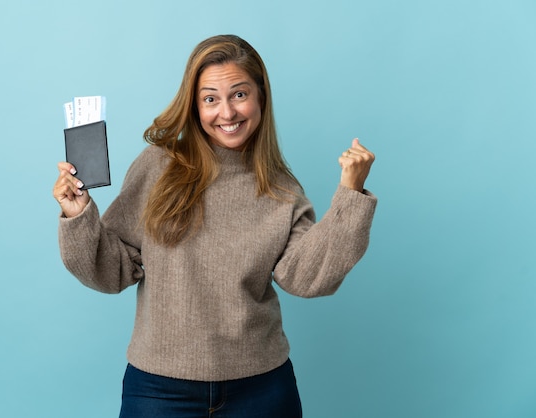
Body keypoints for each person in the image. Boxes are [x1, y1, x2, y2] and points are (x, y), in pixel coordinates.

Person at [53, 34, 377, 418]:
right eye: (210, 98)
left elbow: (307, 278)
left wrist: (350, 194)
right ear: (194, 105)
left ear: (260, 98)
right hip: (159, 389)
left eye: (239, 94)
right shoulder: (158, 167)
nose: (227, 112)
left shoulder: (280, 188)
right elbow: (112, 272)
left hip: (261, 388)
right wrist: (78, 216)